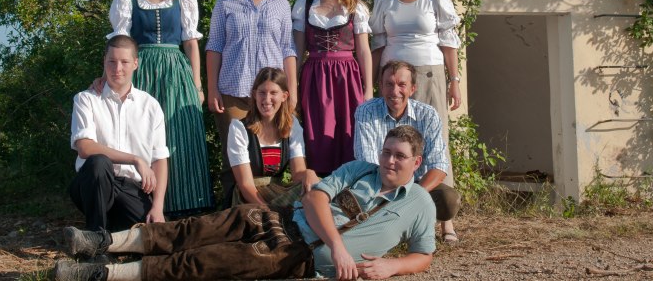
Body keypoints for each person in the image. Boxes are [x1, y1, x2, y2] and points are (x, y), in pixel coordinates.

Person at [54, 125, 437, 281]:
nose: (389, 160)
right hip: (280, 216)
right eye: (387, 152)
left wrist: (393, 266)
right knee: (194, 229)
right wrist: (338, 246)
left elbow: (424, 255)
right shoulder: (360, 169)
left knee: (203, 261)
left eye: (399, 156)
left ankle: (100, 275)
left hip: (296, 255)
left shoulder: (420, 204)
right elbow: (318, 197)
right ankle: (102, 243)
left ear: (416, 163)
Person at [101, 0, 213, 217]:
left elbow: (190, 43)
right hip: (142, 71)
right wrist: (108, 78)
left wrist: (198, 85)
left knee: (181, 134)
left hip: (177, 71)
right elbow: (119, 46)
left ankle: (186, 206)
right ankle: (140, 206)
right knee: (140, 135)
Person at [369, 0, 462, 241]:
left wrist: (455, 81)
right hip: (394, 80)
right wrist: (373, 82)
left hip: (430, 75)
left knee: (436, 143)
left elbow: (449, 41)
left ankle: (445, 220)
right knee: (396, 144)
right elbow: (378, 44)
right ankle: (400, 215)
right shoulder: (383, 0)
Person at [206, 0, 297, 202]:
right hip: (234, 91)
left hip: (271, 94)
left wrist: (291, 92)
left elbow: (288, 49)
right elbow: (214, 47)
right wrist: (212, 88)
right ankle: (230, 211)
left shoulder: (280, 4)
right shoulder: (226, 3)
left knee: (270, 152)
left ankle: (272, 207)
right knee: (232, 155)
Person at [69, 35, 169, 232]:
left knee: (154, 235)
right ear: (104, 62)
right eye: (111, 62)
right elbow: (84, 147)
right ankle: (95, 238)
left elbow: (159, 159)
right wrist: (136, 159)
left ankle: (113, 232)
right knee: (99, 162)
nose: (117, 69)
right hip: (92, 184)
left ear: (135, 63)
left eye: (124, 62)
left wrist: (158, 207)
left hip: (131, 188)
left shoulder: (150, 106)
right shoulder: (86, 99)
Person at [353, 60, 461, 240]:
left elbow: (439, 164)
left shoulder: (428, 114)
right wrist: (393, 196)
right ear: (380, 86)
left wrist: (411, 196)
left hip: (418, 187)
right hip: (379, 187)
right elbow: (368, 163)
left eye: (402, 85)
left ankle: (410, 223)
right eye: (389, 84)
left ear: (412, 89)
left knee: (448, 200)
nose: (395, 91)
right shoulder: (366, 112)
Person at [292, 0, 372, 175]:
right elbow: (297, 51)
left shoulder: (356, 8)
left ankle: (349, 187)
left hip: (347, 78)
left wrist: (368, 90)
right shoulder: (304, 6)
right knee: (317, 133)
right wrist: (293, 87)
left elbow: (364, 51)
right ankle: (320, 189)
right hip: (315, 77)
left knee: (349, 130)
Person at [227, 67, 319, 207]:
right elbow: (245, 185)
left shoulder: (291, 125)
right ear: (254, 95)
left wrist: (309, 173)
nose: (267, 99)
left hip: (278, 190)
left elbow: (297, 174)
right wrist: (269, 212)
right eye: (262, 93)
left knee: (319, 188)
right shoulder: (239, 128)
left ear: (284, 96)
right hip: (250, 198)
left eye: (273, 93)